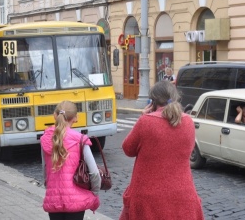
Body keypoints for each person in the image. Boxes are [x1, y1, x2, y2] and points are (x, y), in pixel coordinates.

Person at [119, 81, 205, 220]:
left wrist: (143, 116)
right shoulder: (188, 121)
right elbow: (187, 152)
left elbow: (128, 149)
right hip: (183, 193)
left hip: (148, 196)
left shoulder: (146, 121)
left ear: (152, 102)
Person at [41, 101, 101, 220]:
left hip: (54, 200)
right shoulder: (80, 140)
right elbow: (94, 172)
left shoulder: (46, 139)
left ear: (55, 115)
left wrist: (52, 191)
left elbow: (45, 171)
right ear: (76, 118)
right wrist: (94, 193)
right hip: (76, 201)